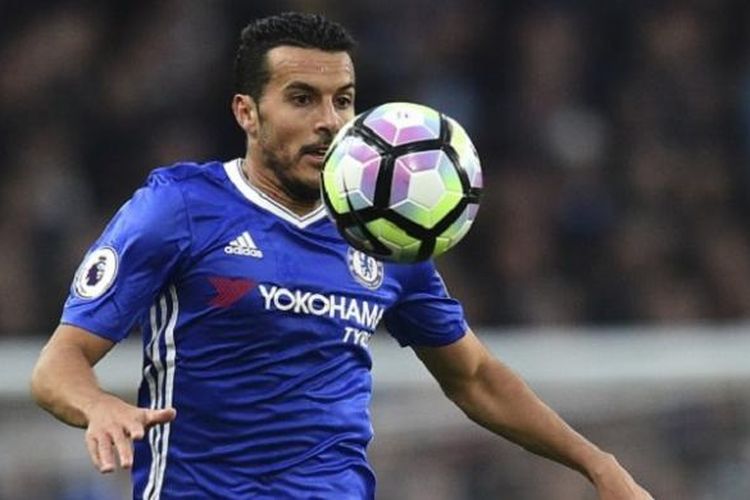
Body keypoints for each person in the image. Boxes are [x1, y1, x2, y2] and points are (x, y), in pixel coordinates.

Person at [31, 11, 653, 500]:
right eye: (302, 99)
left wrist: (596, 464)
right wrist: (100, 405)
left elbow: (475, 378)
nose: (330, 122)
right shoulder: (181, 208)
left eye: (343, 100)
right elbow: (57, 366)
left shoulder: (385, 231)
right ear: (247, 112)